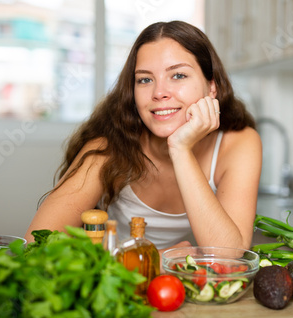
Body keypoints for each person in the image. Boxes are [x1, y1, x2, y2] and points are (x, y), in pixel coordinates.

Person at [25, 21, 262, 253]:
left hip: (171, 287)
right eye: (145, 79)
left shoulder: (238, 143)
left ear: (212, 87)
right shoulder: (108, 148)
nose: (159, 93)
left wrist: (180, 149)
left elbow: (227, 253)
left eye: (178, 75)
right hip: (109, 279)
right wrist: (152, 264)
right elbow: (34, 247)